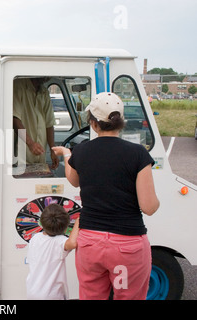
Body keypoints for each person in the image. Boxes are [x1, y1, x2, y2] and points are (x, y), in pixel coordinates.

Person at [52, 92, 160, 300]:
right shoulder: (137, 154)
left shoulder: (82, 151)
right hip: (126, 245)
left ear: (93, 123)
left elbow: (74, 180)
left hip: (90, 242)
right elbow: (149, 207)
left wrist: (67, 154)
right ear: (120, 121)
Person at [26, 203, 79, 300]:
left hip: (32, 291)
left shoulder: (35, 238)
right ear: (66, 225)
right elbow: (73, 243)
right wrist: (78, 222)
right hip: (52, 295)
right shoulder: (60, 242)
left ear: (41, 222)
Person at [13, 77, 59, 168]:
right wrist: (31, 144)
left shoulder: (44, 92)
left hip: (40, 156)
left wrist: (53, 150)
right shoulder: (19, 86)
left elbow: (49, 124)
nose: (48, 78)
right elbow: (14, 119)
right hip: (22, 155)